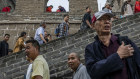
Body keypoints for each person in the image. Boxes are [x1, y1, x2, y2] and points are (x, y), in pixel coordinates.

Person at [85, 10, 140, 79]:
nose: (107, 22)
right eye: (102, 19)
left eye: (108, 19)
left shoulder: (125, 42)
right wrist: (118, 56)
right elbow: (93, 72)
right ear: (93, 25)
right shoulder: (91, 49)